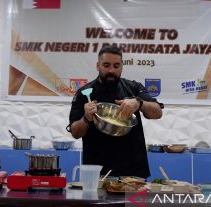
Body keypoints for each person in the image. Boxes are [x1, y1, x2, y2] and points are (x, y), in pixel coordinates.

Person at [68, 45, 164, 178]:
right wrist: (86, 118)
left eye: (116, 66)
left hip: (133, 173)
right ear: (98, 66)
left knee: (136, 200)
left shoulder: (134, 88)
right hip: (97, 173)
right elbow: (75, 133)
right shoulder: (84, 93)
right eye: (106, 65)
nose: (111, 70)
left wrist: (139, 103)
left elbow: (158, 112)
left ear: (122, 66)